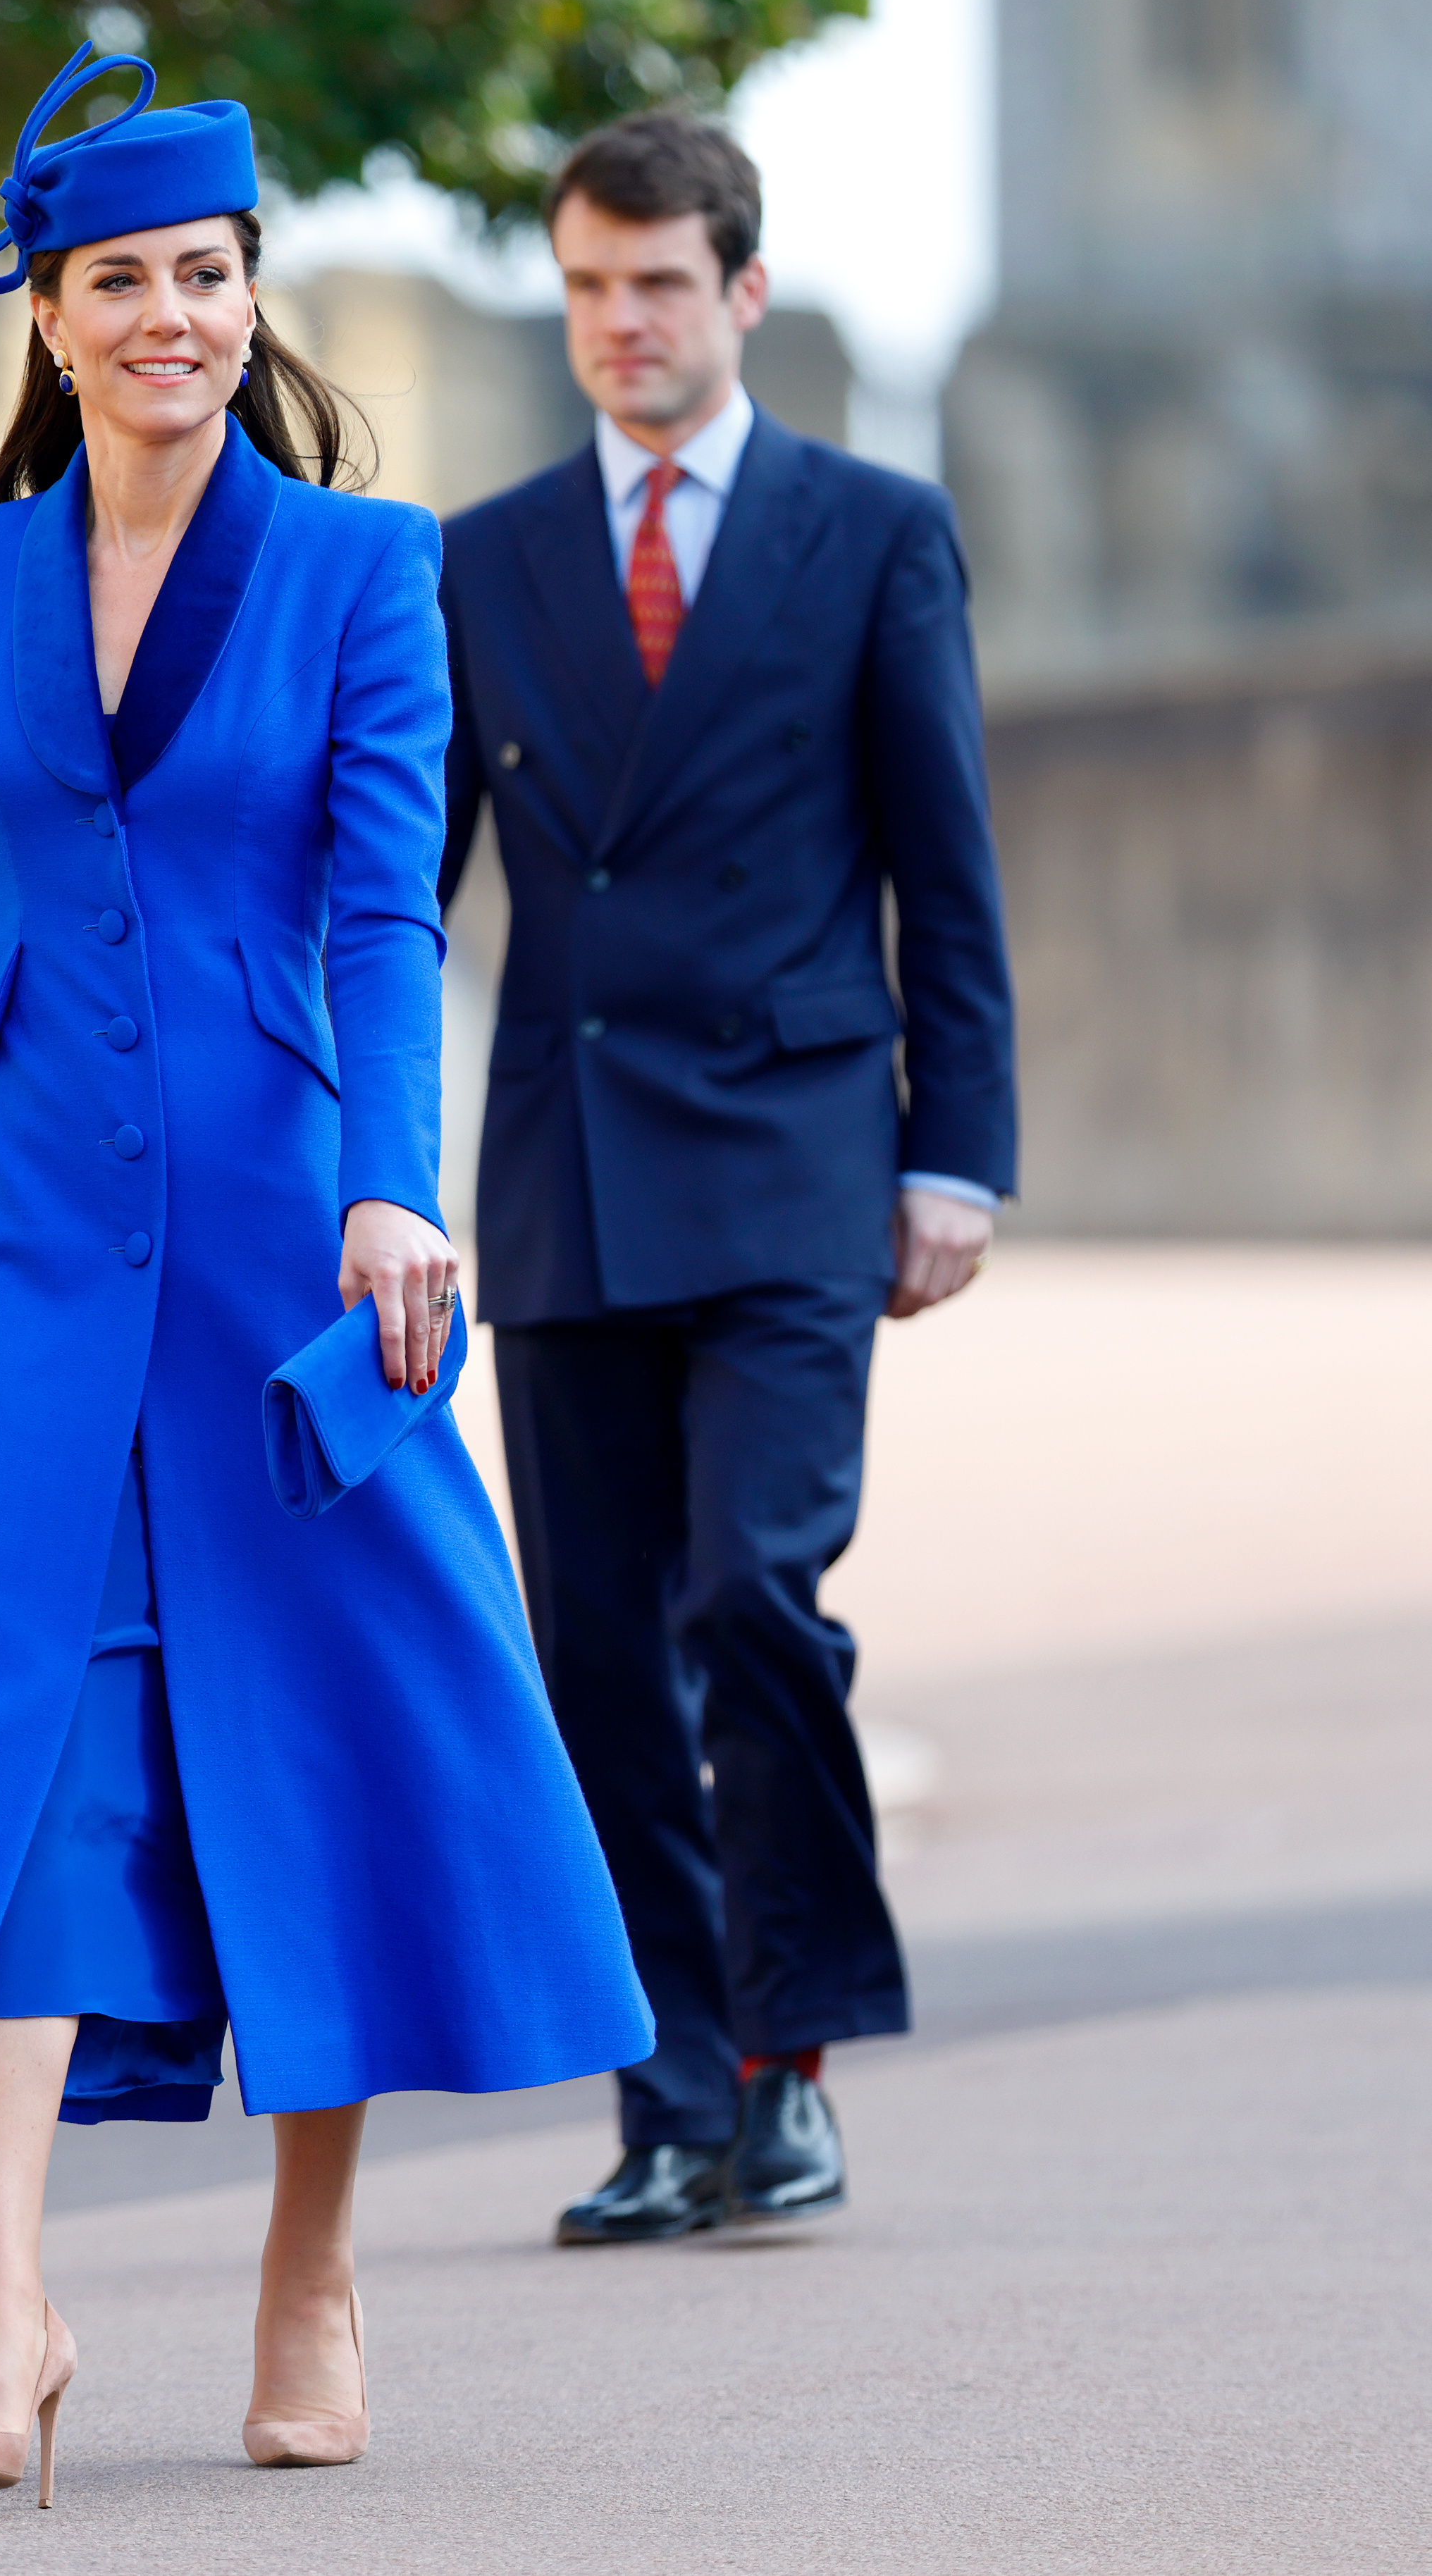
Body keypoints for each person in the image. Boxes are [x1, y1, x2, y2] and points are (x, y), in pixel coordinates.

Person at [0, 45, 651, 2506]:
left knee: (326, 1732)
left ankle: (312, 2268)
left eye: (209, 275)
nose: (172, 315)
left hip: (298, 1253)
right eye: (121, 280)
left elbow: (385, 906)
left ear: (257, 301)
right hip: (41, 1254)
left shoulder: (370, 575)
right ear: (46, 318)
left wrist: (394, 1179)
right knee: (8, 1742)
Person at [437, 113, 1018, 2245]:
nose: (619, 325)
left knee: (746, 1596)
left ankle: (783, 2058)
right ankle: (665, 2095)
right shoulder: (481, 556)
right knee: (593, 1650)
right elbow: (402, 908)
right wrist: (355, 1173)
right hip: (562, 1172)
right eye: (587, 287)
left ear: (739, 292)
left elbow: (942, 875)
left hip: (793, 1155)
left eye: (657, 284)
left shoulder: (869, 530)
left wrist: (953, 1150)